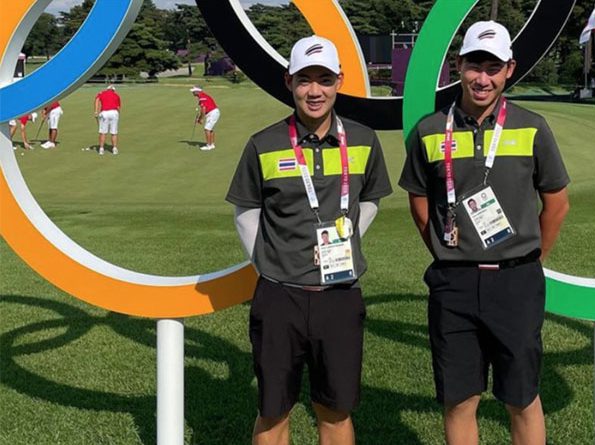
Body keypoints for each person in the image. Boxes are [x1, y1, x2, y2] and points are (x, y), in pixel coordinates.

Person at [399, 21, 570, 445]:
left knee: (522, 397)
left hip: (516, 281)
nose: (483, 78)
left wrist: (530, 260)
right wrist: (448, 250)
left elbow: (556, 203)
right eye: (475, 65)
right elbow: (420, 202)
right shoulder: (429, 129)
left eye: (493, 68)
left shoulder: (532, 126)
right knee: (459, 400)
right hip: (453, 282)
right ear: (459, 65)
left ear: (509, 69)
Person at [226, 35, 393, 445]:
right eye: (304, 80)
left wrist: (347, 239)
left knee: (335, 411)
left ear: (339, 81)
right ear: (289, 82)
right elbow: (246, 211)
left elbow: (370, 199)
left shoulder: (363, 139)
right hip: (279, 296)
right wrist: (269, 262)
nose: (314, 91)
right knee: (273, 411)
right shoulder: (264, 143)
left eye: (324, 79)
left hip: (340, 295)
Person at [190, 86, 220, 151]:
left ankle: (208, 146)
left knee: (207, 129)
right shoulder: (202, 96)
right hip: (213, 113)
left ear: (197, 91)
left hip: (212, 113)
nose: (192, 92)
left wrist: (201, 119)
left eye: (193, 91)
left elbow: (204, 109)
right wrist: (199, 118)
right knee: (210, 129)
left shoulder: (202, 97)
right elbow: (202, 109)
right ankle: (212, 144)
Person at [94, 85, 121, 155]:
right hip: (114, 113)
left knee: (103, 132)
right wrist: (118, 114)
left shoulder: (102, 93)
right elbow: (118, 107)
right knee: (114, 132)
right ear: (113, 90)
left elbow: (97, 99)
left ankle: (101, 149)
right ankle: (114, 149)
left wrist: (96, 111)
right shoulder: (116, 95)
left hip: (104, 113)